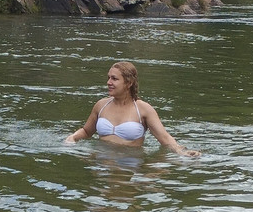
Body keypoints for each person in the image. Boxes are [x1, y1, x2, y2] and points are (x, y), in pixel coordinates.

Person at [64, 61, 199, 156]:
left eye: (114, 79)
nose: (108, 82)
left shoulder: (143, 109)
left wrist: (182, 152)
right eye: (108, 78)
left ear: (128, 83)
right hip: (101, 164)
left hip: (129, 165)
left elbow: (164, 138)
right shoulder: (101, 105)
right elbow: (87, 131)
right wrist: (72, 137)